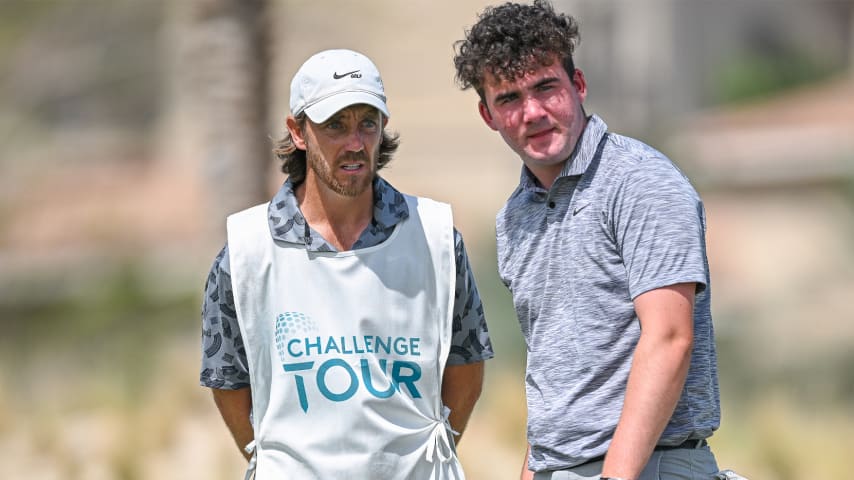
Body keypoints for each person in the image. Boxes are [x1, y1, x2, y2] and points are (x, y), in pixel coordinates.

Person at [453, 2, 721, 480]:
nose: (532, 112)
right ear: (487, 115)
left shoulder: (640, 181)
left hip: (650, 468)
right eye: (509, 98)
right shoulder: (514, 216)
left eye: (545, 87)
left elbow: (670, 339)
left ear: (577, 86)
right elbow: (554, 373)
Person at [200, 48, 493, 479]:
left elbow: (466, 370)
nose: (355, 143)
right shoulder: (245, 250)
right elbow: (228, 383)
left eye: (367, 124)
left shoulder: (436, 237)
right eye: (335, 125)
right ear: (298, 131)